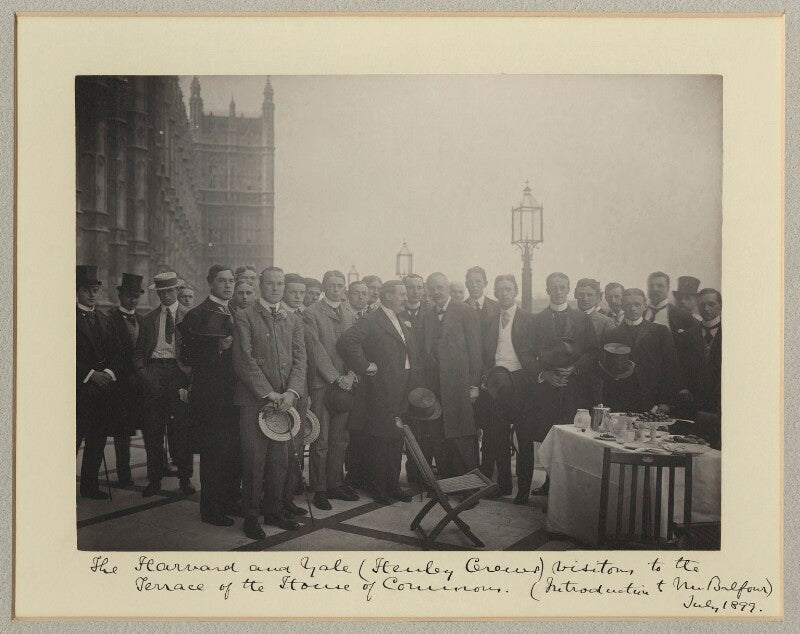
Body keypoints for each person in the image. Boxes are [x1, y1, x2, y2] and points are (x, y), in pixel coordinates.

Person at [232, 267, 307, 538]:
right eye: (270, 284)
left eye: (280, 284)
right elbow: (243, 359)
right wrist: (269, 393)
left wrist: (292, 393)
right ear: (260, 286)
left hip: (286, 401)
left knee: (280, 459)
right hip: (254, 401)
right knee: (254, 460)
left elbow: (300, 359)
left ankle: (274, 511)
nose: (275, 288)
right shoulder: (244, 316)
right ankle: (251, 516)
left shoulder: (292, 320)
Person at [338, 280, 420, 504]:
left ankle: (392, 486)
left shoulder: (401, 318)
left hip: (402, 386)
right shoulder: (372, 319)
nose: (406, 298)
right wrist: (365, 366)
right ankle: (379, 488)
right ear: (387, 296)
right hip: (382, 388)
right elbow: (347, 342)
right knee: (381, 438)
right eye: (401, 294)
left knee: (395, 437)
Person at [521, 272, 598, 499]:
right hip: (546, 390)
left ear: (568, 289)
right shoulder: (535, 321)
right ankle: (549, 482)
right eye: (553, 287)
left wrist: (575, 368)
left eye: (562, 287)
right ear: (547, 290)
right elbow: (525, 353)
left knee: (571, 436)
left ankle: (568, 487)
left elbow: (593, 352)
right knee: (548, 435)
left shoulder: (582, 320)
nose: (558, 291)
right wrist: (543, 374)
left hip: (574, 389)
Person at [178, 265, 242, 526]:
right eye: (222, 281)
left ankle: (229, 500)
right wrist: (217, 348)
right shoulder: (196, 314)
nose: (228, 285)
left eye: (231, 281)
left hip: (235, 393)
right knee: (214, 452)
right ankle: (211, 509)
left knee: (232, 451)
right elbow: (187, 357)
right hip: (212, 395)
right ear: (210, 283)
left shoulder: (236, 311)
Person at [134, 272, 195, 498]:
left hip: (179, 373)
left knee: (181, 429)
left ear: (177, 290)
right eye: (161, 292)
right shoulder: (148, 319)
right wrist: (143, 372)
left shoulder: (189, 316)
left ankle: (185, 479)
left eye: (169, 290)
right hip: (154, 372)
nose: (165, 295)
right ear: (157, 293)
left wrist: (190, 378)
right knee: (153, 430)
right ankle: (154, 479)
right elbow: (139, 350)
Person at [416, 272, 482, 477]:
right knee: (438, 435)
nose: (436, 292)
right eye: (432, 288)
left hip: (458, 386)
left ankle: (470, 488)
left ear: (447, 288)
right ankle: (447, 483)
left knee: (461, 435)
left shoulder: (464, 311)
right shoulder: (426, 315)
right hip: (434, 388)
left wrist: (474, 385)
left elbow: (475, 350)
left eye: (440, 288)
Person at [304, 270, 359, 509]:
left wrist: (351, 374)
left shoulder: (349, 313)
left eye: (340, 285)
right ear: (324, 287)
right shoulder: (311, 313)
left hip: (346, 383)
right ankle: (319, 489)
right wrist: (337, 378)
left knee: (341, 438)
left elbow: (356, 347)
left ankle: (335, 483)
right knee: (322, 439)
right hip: (322, 384)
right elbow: (315, 350)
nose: (336, 289)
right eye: (332, 285)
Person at [479, 275, 535, 500]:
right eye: (500, 290)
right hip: (496, 384)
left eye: (508, 290)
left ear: (516, 292)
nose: (504, 294)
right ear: (494, 292)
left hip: (521, 384)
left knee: (524, 438)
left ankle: (523, 491)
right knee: (497, 436)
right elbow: (485, 353)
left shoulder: (528, 319)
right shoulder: (490, 320)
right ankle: (503, 485)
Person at [76, 265, 122, 499]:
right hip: (78, 390)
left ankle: (89, 485)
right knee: (73, 440)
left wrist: (108, 372)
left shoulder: (105, 320)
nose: (92, 294)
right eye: (87, 290)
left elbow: (116, 352)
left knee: (97, 440)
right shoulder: (68, 318)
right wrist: (90, 374)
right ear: (77, 291)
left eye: (95, 290)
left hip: (102, 390)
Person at [601, 288, 683, 414]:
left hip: (651, 399)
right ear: (622, 306)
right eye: (628, 305)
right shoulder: (611, 334)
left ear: (645, 306)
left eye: (637, 304)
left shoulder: (660, 332)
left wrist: (666, 401)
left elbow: (671, 368)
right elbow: (606, 370)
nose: (633, 308)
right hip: (620, 398)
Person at [107, 272, 145, 487]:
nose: (133, 300)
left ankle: (158, 468)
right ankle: (123, 473)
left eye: (136, 296)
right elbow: (112, 353)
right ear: (121, 296)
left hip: (140, 384)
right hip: (121, 385)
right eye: (129, 296)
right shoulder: (110, 320)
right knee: (123, 431)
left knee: (147, 426)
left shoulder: (141, 320)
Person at [280, 273, 314, 506]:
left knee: (297, 444)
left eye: (302, 293)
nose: (298, 296)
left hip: (300, 388)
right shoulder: (278, 315)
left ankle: (288, 497)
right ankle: (274, 497)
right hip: (280, 390)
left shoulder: (303, 316)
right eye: (293, 292)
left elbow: (307, 356)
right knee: (279, 448)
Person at [675, 288, 722, 446]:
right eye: (702, 305)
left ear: (720, 306)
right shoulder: (687, 336)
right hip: (694, 401)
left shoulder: (734, 334)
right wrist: (683, 386)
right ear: (697, 306)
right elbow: (679, 366)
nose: (707, 309)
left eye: (711, 304)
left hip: (721, 403)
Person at [574, 278, 613, 408]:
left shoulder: (606, 322)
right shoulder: (568, 318)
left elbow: (606, 357)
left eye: (590, 295)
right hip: (568, 380)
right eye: (581, 294)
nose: (585, 298)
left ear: (597, 297)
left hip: (593, 384)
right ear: (575, 295)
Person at [645, 271, 696, 338]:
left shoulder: (682, 315)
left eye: (660, 286)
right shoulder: (640, 313)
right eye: (651, 286)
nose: (654, 289)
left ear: (668, 288)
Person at [464, 266, 501, 337]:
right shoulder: (460, 309)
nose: (474, 285)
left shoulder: (497, 308)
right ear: (466, 284)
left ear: (485, 283)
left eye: (478, 281)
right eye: (471, 282)